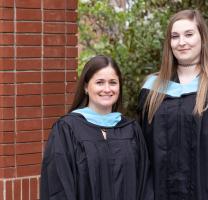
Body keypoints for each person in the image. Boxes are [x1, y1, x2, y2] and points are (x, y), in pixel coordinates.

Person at [138, 9, 208, 200]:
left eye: (189, 34)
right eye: (175, 36)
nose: (182, 42)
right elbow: (143, 153)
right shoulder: (152, 91)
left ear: (202, 38)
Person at [41, 55, 153, 200]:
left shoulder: (131, 130)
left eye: (113, 82)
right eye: (100, 82)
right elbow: (58, 186)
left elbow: (144, 183)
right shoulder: (67, 129)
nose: (107, 89)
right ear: (86, 87)